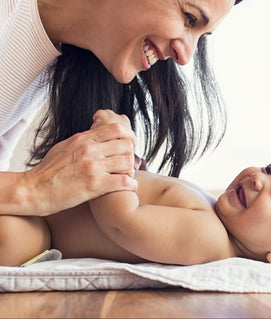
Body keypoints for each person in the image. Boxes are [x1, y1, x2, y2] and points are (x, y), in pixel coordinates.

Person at [0, 0, 243, 217]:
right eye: (189, 18)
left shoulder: (50, 60)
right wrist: (33, 188)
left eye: (201, 36)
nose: (186, 57)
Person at [0, 152, 271, 267]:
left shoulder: (210, 239)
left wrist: (115, 158)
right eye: (270, 168)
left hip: (43, 229)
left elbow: (122, 222)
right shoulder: (213, 212)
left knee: (11, 236)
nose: (257, 179)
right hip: (46, 203)